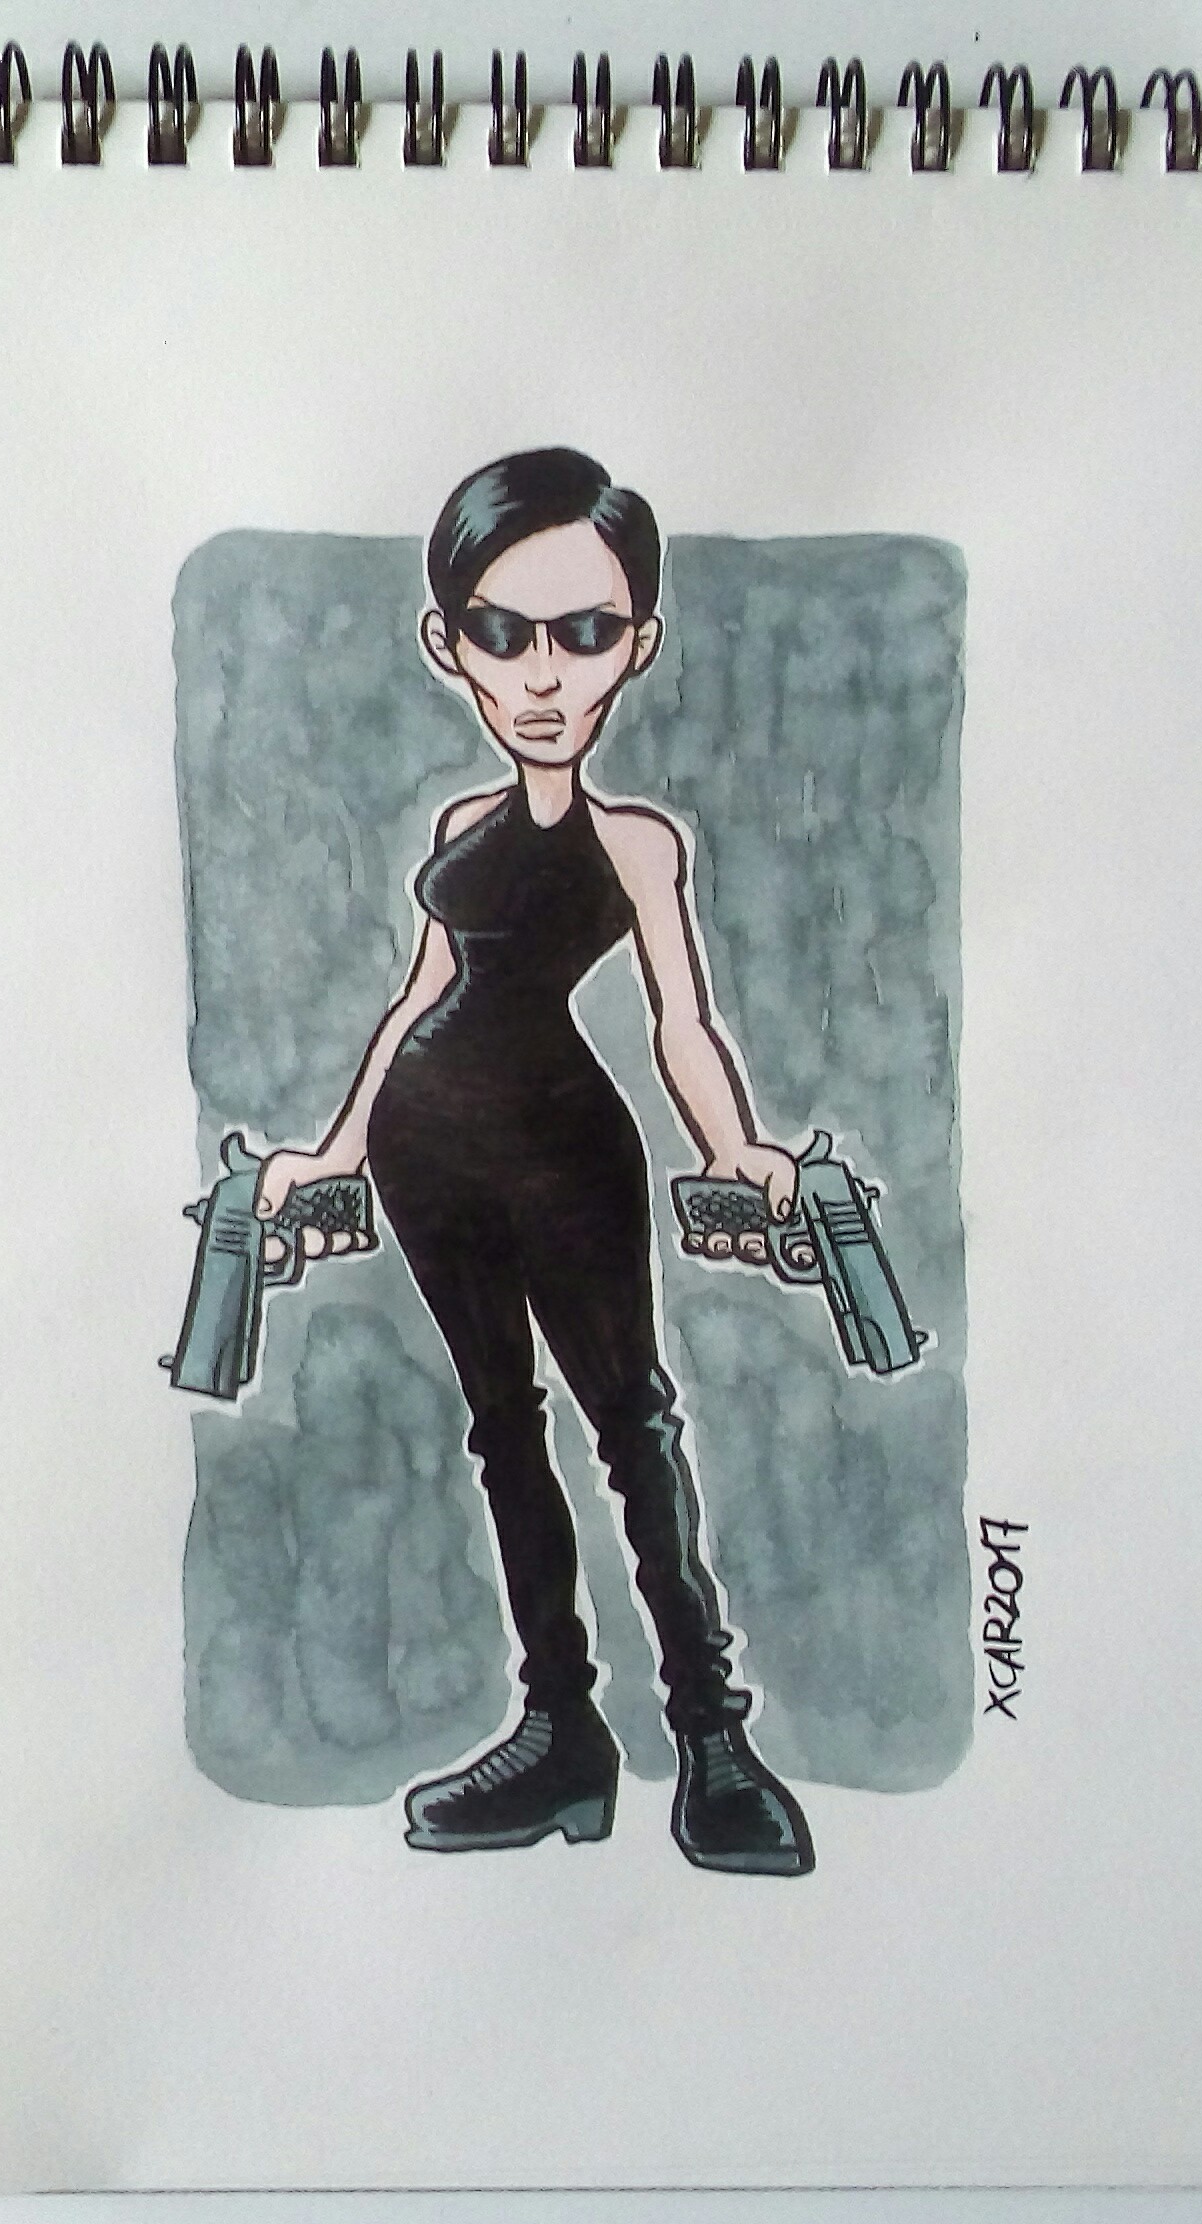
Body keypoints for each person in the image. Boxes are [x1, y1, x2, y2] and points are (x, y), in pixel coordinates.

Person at [255, 448, 814, 1875]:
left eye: (584, 632)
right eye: (504, 634)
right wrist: (332, 1145)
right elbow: (416, 998)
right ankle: (561, 1734)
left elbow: (681, 1021)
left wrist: (738, 1145)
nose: (544, 675)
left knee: (632, 1428)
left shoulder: (637, 844)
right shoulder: (459, 828)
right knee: (504, 1430)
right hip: (426, 1160)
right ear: (451, 644)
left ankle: (714, 1744)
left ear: (639, 644)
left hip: (568, 1155)